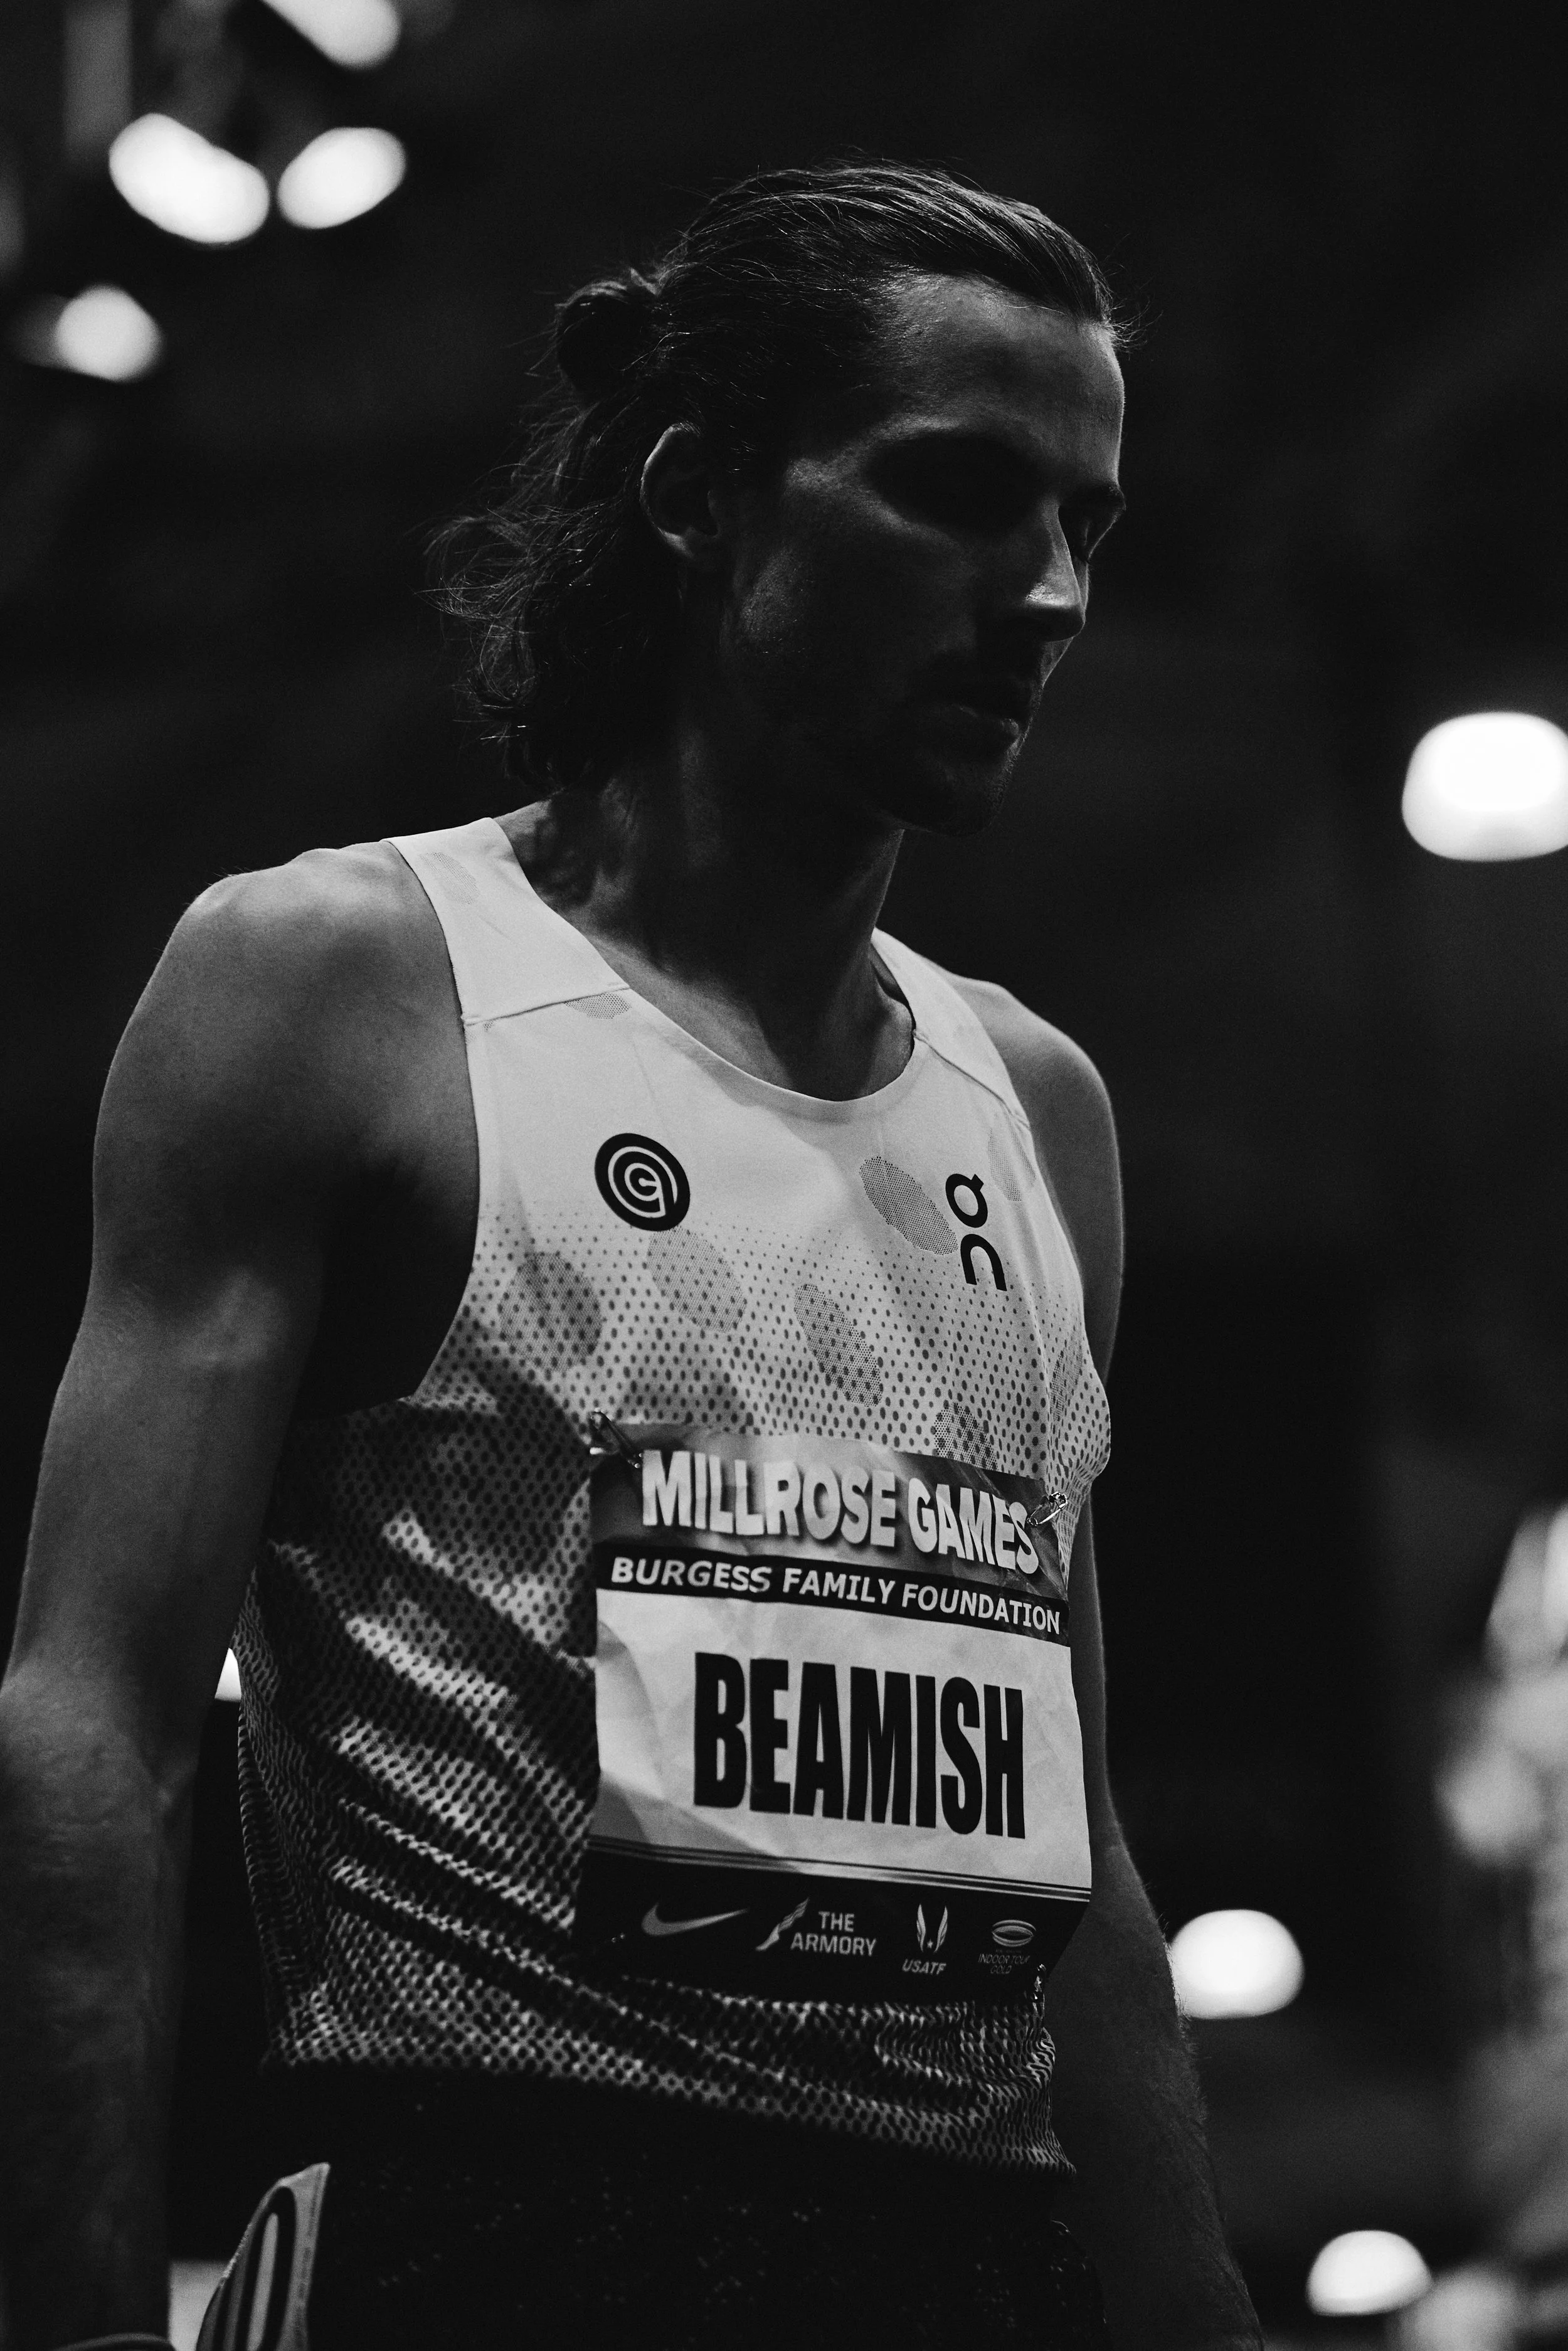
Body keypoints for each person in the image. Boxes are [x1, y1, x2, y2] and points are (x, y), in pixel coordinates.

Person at [0, 162, 1260, 2351]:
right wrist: (86, 2318)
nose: (1047, 592)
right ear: (698, 492)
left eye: (1088, 524)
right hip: (486, 2233)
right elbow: (93, 1725)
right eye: (962, 492)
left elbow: (1078, 1859)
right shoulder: (338, 984)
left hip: (972, 2263)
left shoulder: (1035, 1105)